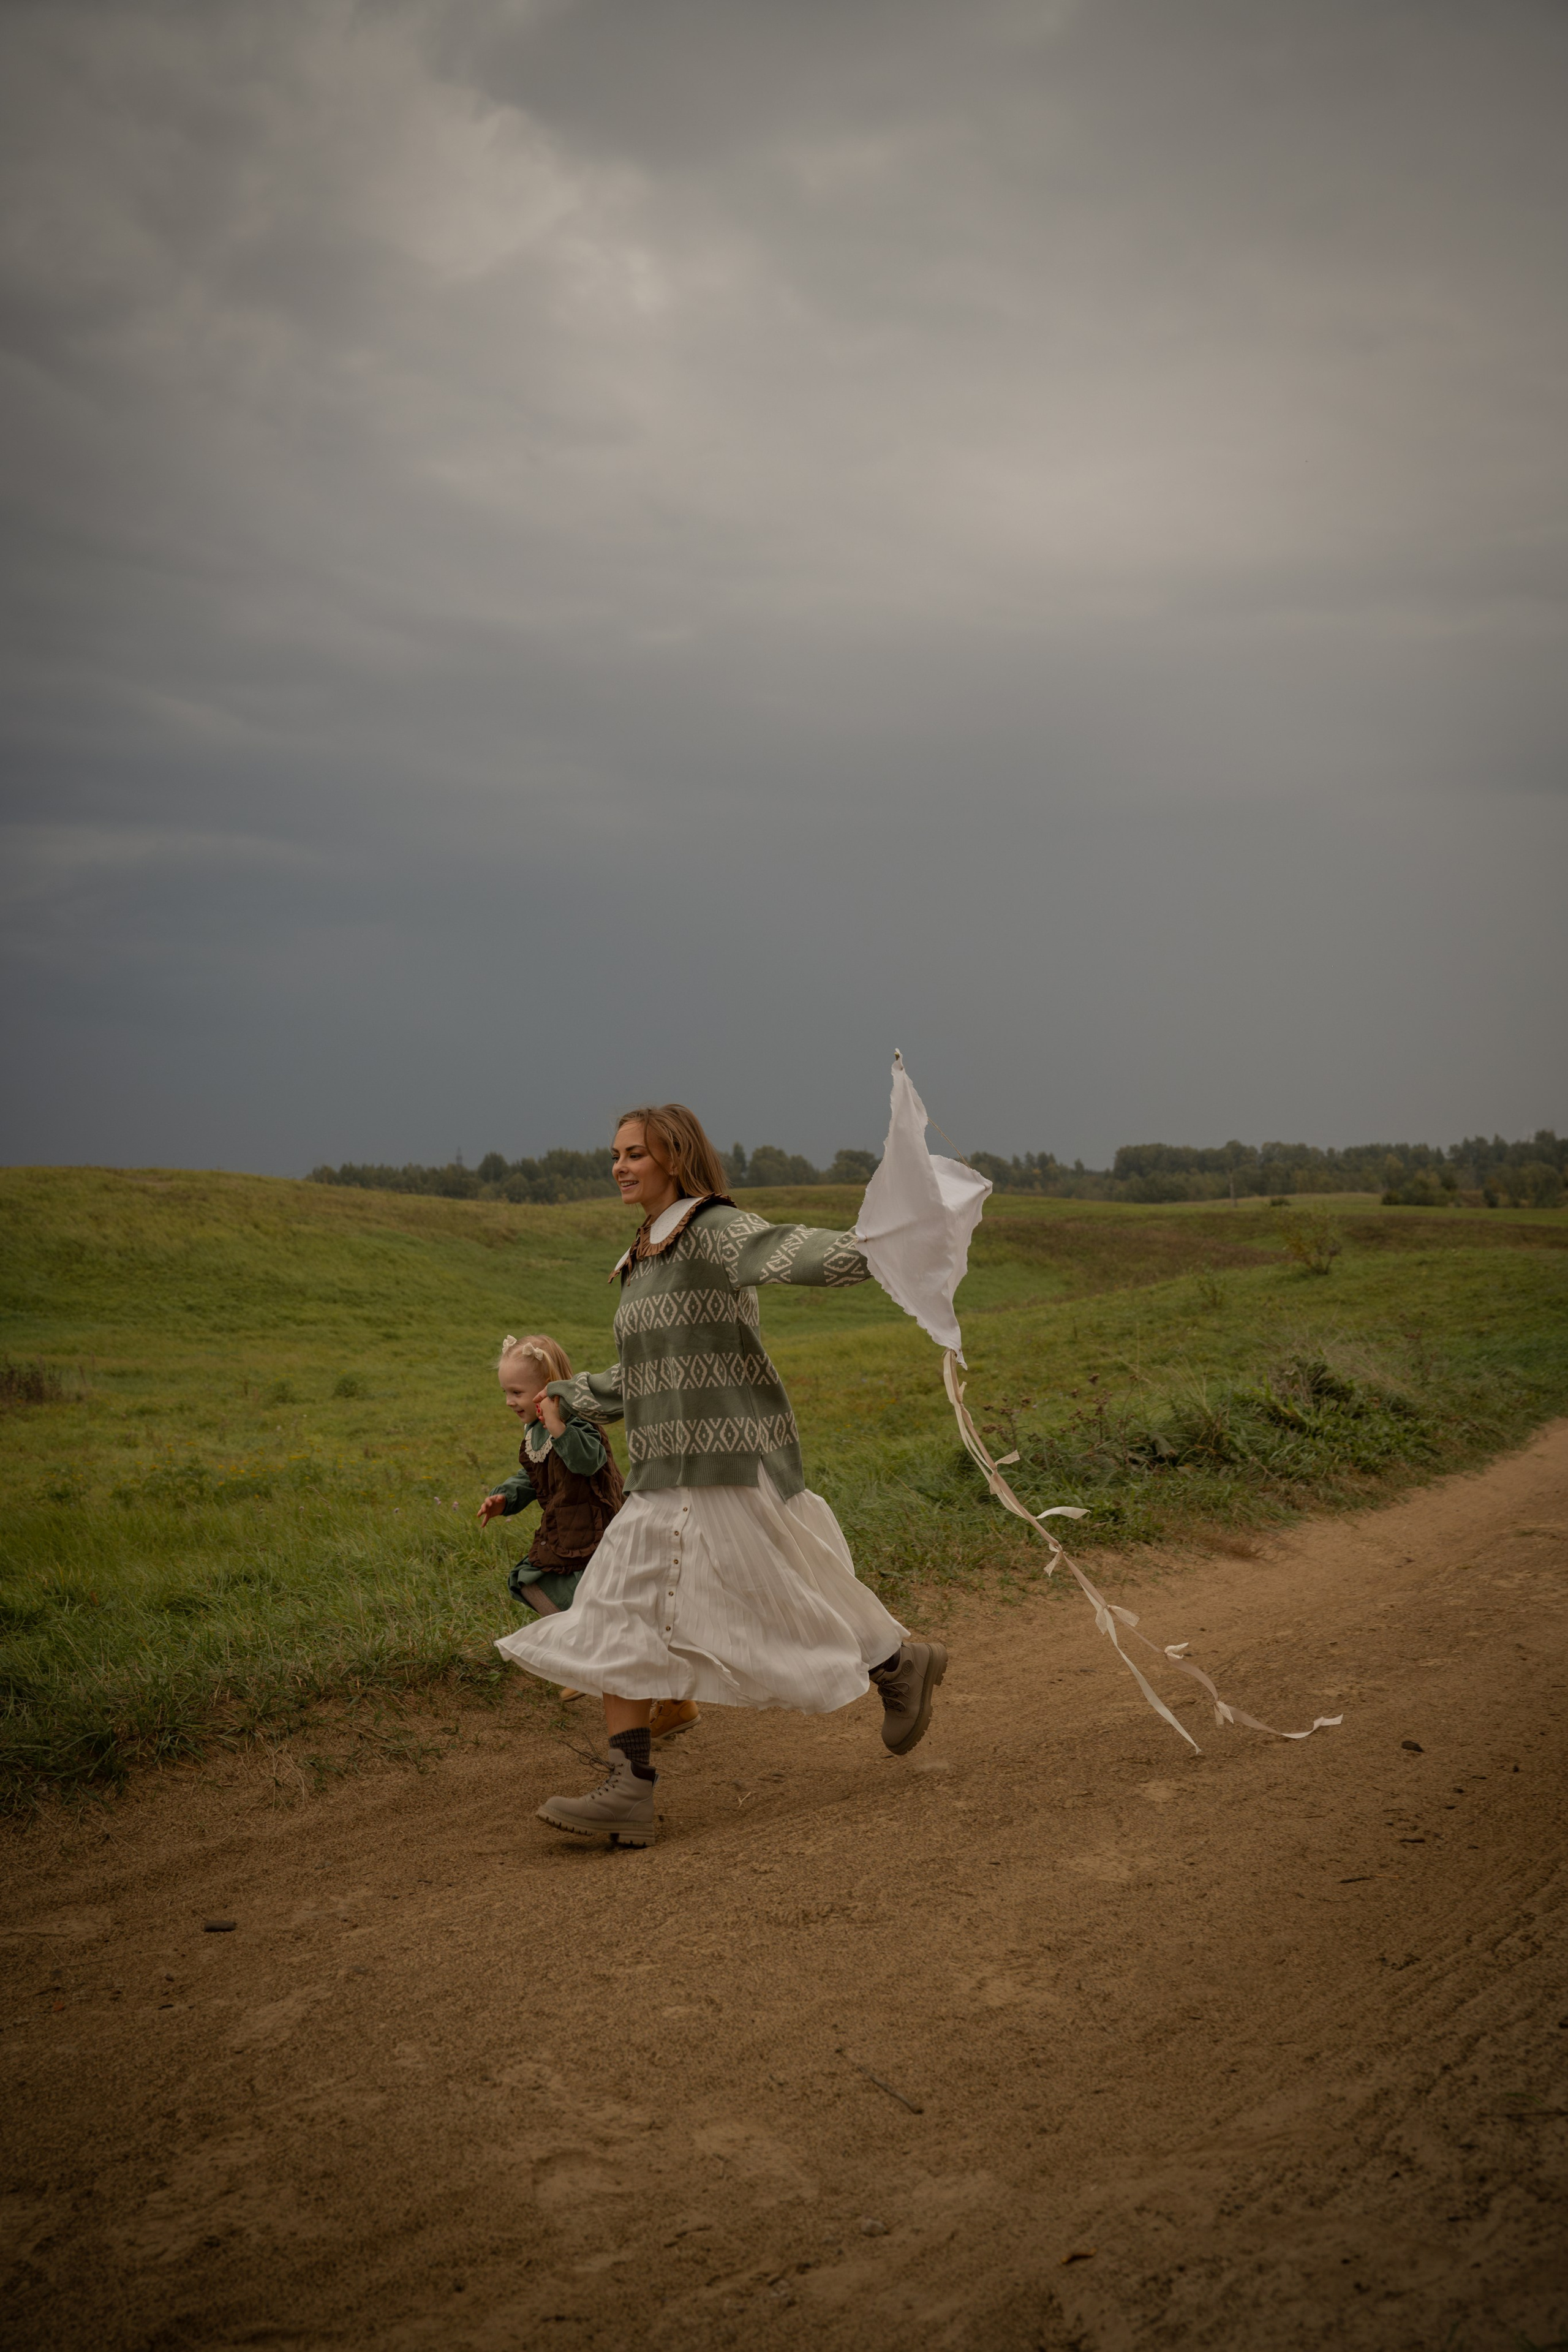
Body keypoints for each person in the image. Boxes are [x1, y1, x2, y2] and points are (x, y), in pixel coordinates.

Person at [494, 1107, 948, 1846]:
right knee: (616, 1604)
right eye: (614, 1154)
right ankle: (629, 1786)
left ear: (674, 1156)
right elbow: (648, 1371)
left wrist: (886, 1246)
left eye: (634, 1153)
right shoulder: (643, 1255)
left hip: (731, 1459)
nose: (618, 1165)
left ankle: (898, 1662)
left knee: (786, 1588)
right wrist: (569, 1397)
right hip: (666, 1467)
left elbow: (791, 1252)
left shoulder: (709, 1229)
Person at [478, 1334, 698, 1741]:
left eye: (517, 1392)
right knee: (536, 1585)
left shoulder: (577, 1420)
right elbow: (532, 1478)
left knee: (612, 1614)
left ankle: (598, 1661)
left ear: (548, 1388)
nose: (510, 1401)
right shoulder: (534, 1432)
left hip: (599, 1530)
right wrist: (504, 1498)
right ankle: (640, 1682)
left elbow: (587, 1461)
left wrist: (560, 1424)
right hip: (567, 1530)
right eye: (505, 1392)